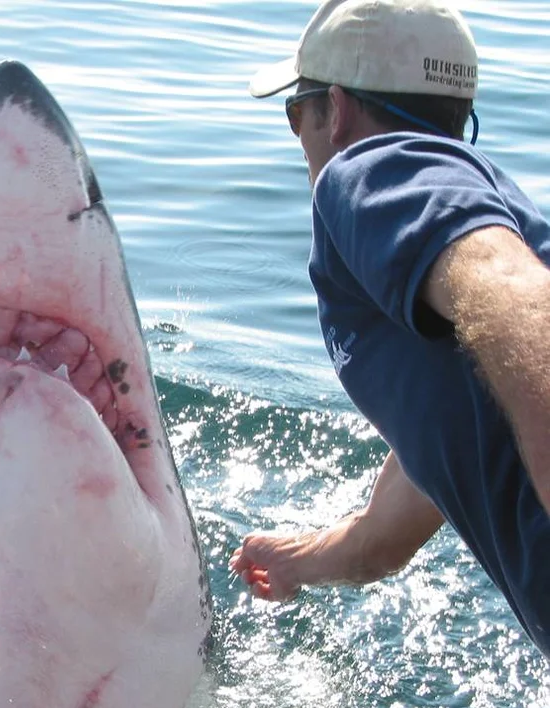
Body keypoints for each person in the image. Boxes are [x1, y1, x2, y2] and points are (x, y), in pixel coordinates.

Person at [232, 0, 550, 657]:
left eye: (298, 110)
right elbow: (392, 526)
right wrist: (302, 561)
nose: (300, 135)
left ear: (337, 111)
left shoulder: (368, 172)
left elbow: (513, 294)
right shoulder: (480, 251)